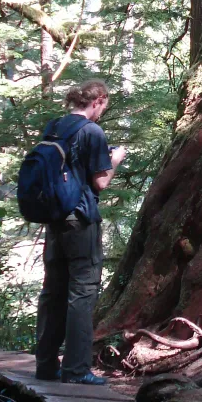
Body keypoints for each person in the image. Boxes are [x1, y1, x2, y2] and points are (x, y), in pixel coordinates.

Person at [34, 79, 126, 384]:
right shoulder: (92, 131)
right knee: (83, 292)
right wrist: (114, 161)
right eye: (104, 106)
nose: (102, 112)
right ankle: (76, 370)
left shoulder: (55, 126)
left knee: (53, 291)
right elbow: (100, 182)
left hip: (55, 219)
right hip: (80, 219)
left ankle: (45, 365)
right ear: (97, 101)